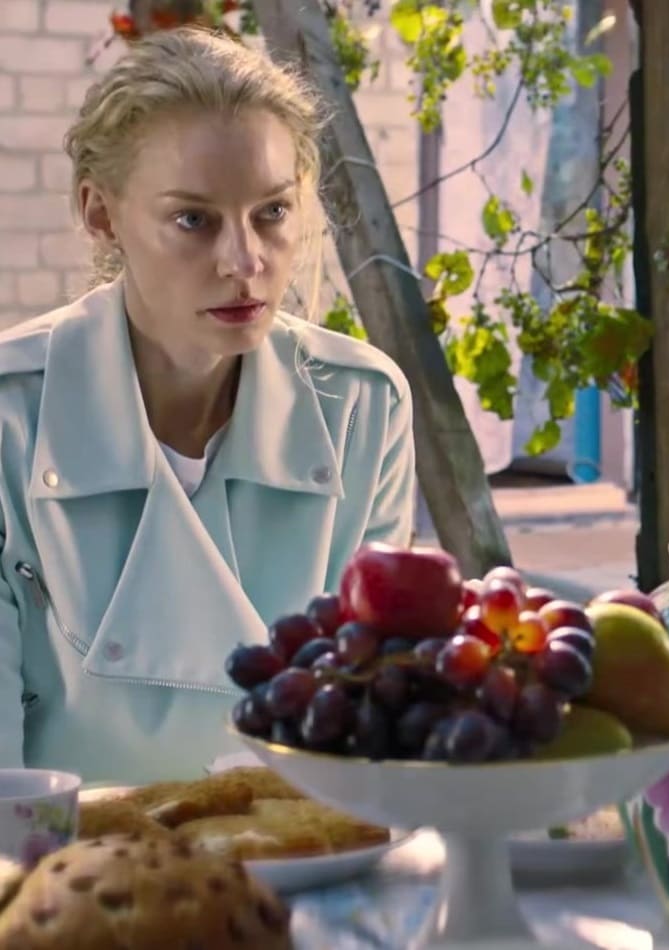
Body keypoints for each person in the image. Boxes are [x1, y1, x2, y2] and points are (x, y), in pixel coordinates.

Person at [0, 29, 415, 782]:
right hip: (59, 851)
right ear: (101, 214)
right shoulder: (10, 416)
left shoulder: (362, 407)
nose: (244, 260)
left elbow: (369, 726)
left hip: (298, 842)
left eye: (272, 212)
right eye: (194, 219)